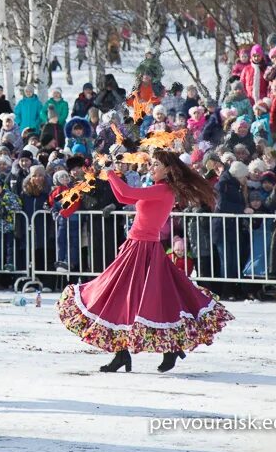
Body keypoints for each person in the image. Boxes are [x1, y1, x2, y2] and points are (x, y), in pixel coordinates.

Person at [56, 150, 233, 373]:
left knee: (131, 297)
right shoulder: (159, 189)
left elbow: (127, 191)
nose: (151, 168)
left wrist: (111, 173)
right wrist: (112, 174)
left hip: (144, 249)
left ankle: (155, 348)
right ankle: (128, 352)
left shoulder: (163, 190)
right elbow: (124, 197)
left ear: (168, 169)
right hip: (136, 246)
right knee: (128, 297)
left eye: (156, 164)